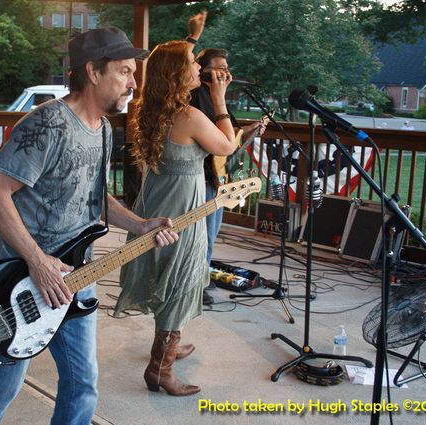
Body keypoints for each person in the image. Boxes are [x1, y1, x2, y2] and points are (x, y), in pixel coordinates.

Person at [0, 27, 179, 425]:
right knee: (5, 381)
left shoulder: (105, 130)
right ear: (93, 71)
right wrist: (38, 262)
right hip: (23, 280)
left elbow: (96, 200)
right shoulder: (47, 125)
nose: (133, 82)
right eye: (125, 71)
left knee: (82, 381)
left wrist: (141, 225)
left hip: (78, 277)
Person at [114, 37, 236, 396]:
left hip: (155, 209)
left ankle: (166, 345)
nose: (200, 67)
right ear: (176, 73)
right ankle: (160, 370)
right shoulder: (190, 116)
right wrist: (219, 99)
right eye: (192, 63)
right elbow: (227, 146)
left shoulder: (150, 110)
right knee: (179, 285)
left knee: (166, 281)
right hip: (182, 215)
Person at [189, 47, 267, 305]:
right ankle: (197, 285)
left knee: (211, 232)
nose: (225, 72)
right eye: (218, 67)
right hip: (202, 174)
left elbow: (227, 132)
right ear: (203, 69)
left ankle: (202, 279)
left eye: (226, 67)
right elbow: (215, 138)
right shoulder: (198, 95)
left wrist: (247, 130)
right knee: (204, 235)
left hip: (216, 175)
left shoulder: (214, 95)